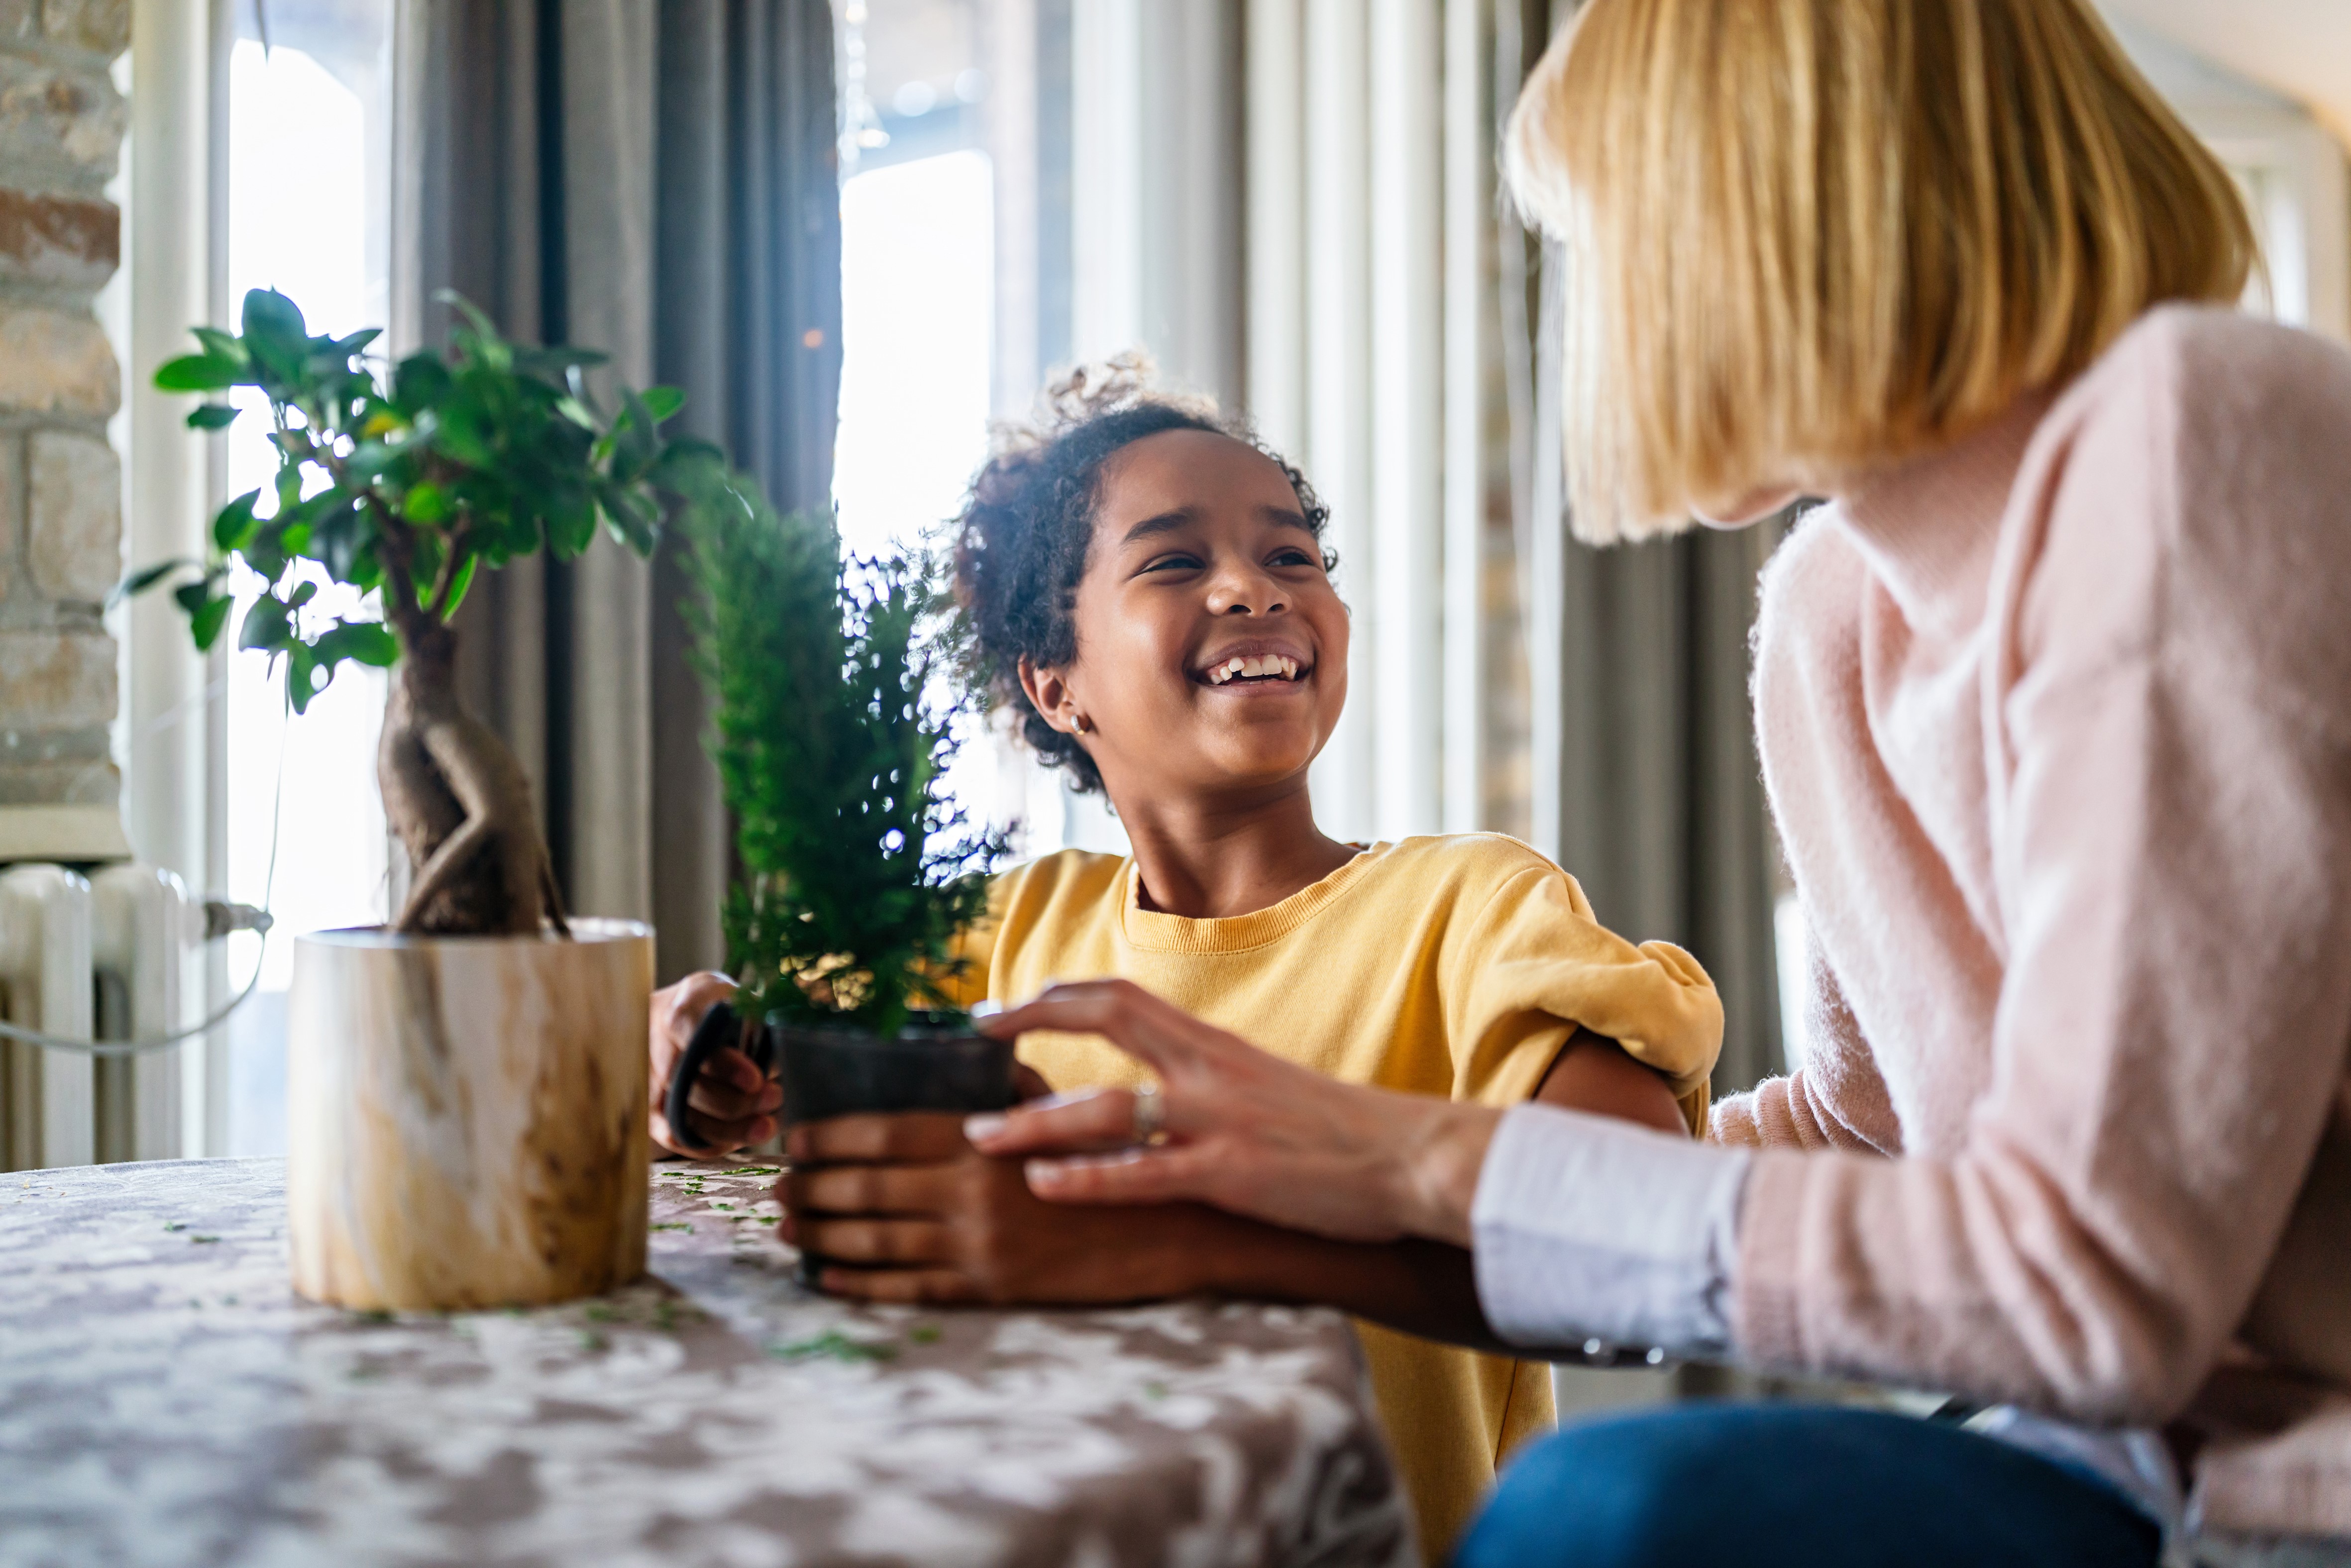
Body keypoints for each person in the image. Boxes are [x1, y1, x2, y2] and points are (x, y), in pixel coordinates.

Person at [786, 0, 2351, 1563]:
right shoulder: (1834, 619)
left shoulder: (2198, 434)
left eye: (1605, 232)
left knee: (1599, 1511)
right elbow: (1866, 1135)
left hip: (2296, 1484)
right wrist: (1411, 1185)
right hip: (2119, 1464)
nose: (1599, 307)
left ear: (1775, 196)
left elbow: (2089, 1285)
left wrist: (1396, 1155)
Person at [647, 360, 1725, 1554]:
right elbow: (755, 1045)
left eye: (1292, 556)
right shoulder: (1008, 930)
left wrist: (1143, 1232)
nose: (1251, 589)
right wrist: (699, 1055)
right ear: (1055, 687)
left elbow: (1649, 1251)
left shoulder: (1468, 910)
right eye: (1172, 559)